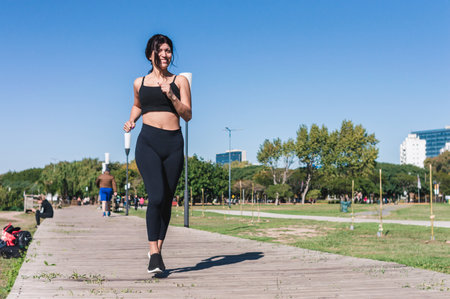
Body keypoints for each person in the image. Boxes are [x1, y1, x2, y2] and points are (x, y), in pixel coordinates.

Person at [123, 34, 191, 274]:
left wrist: (170, 94)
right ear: (150, 54)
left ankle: (157, 252)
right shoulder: (139, 82)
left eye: (169, 50)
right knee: (157, 196)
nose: (165, 55)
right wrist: (131, 120)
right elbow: (138, 105)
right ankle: (153, 253)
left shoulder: (180, 80)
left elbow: (187, 114)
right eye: (161, 50)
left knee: (167, 201)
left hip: (174, 144)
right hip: (148, 142)